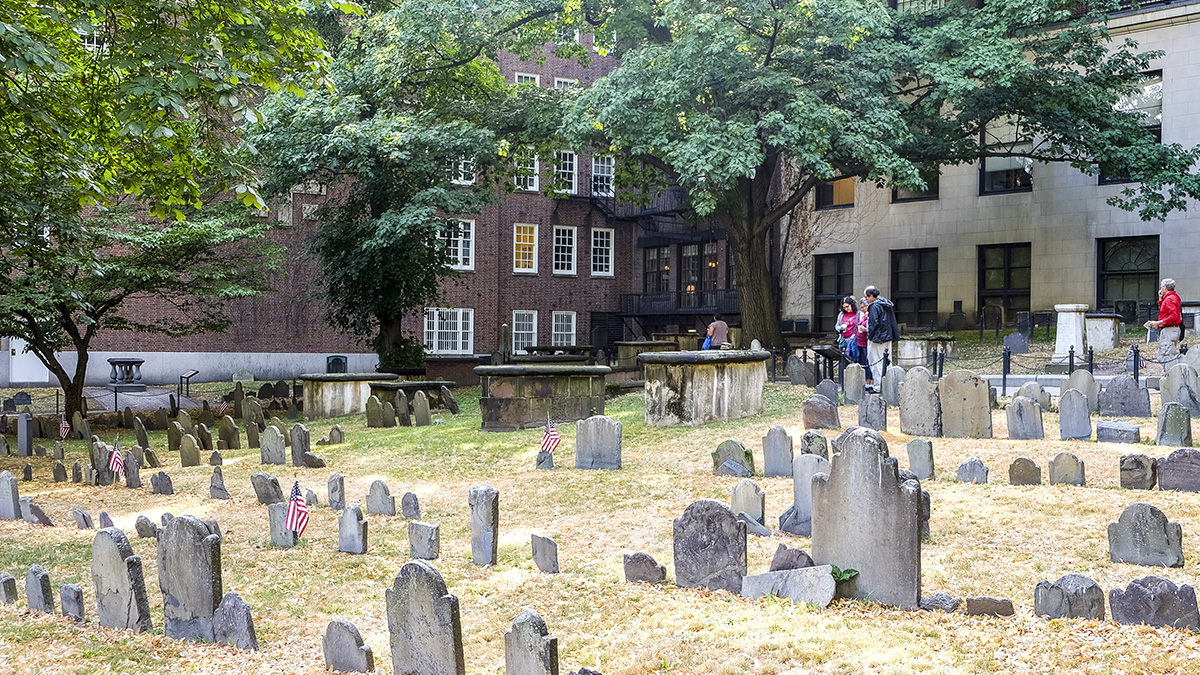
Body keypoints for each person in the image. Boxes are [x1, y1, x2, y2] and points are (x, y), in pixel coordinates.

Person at [863, 286, 900, 392]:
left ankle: (878, 386)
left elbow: (874, 323)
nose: (866, 299)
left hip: (878, 338)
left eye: (866, 297)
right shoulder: (886, 304)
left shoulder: (875, 306)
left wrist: (870, 336)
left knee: (876, 362)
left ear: (871, 296)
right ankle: (888, 385)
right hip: (888, 336)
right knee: (887, 362)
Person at [1151, 278, 1183, 366]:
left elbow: (1173, 316)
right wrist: (1161, 299)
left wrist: (1158, 323)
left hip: (1169, 330)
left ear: (1165, 288)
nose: (1160, 288)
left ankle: (1172, 376)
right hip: (1173, 329)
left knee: (1166, 356)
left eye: (1161, 286)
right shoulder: (1174, 297)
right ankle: (1172, 375)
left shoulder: (1169, 299)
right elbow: (1166, 312)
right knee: (1167, 354)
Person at [834, 297, 860, 363]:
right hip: (843, 339)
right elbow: (837, 326)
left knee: (853, 358)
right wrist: (841, 328)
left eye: (847, 306)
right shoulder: (841, 314)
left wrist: (855, 334)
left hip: (853, 339)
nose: (846, 309)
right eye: (844, 307)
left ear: (852, 305)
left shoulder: (858, 314)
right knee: (843, 359)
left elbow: (860, 326)